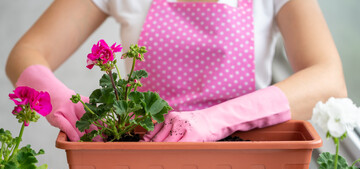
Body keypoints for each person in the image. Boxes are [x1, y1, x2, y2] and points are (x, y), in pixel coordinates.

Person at [6, 0, 347, 142]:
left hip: (245, 158)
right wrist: (70, 104)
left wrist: (213, 121)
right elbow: (26, 53)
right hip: (143, 163)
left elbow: (328, 79)